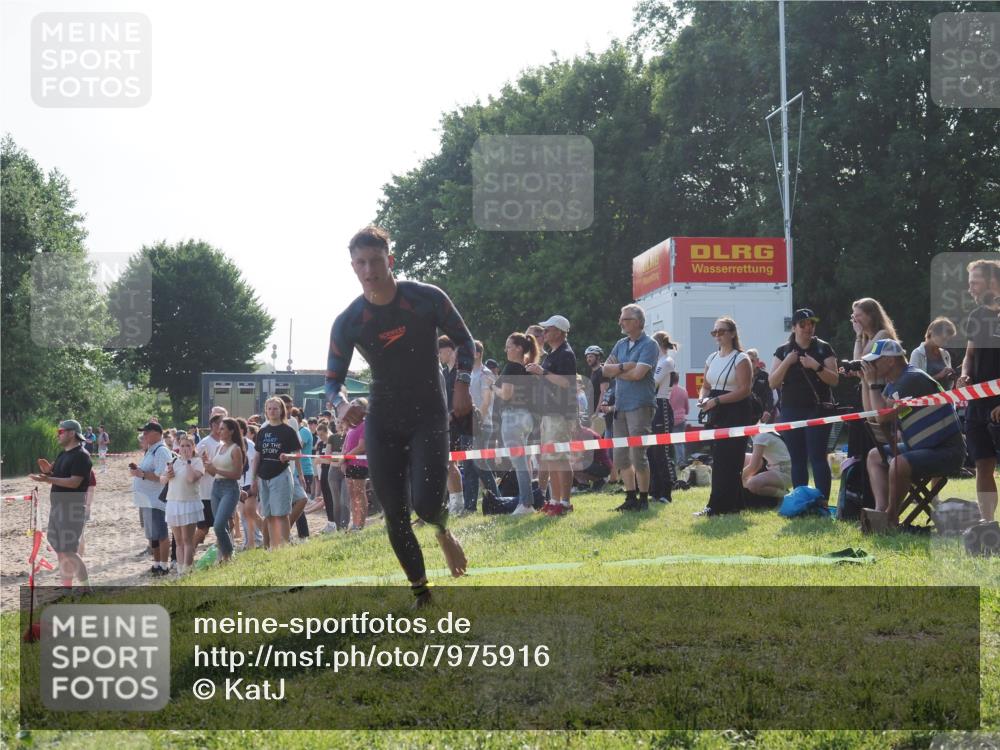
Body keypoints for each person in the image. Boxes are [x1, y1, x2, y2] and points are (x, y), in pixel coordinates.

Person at [325, 225, 470, 606]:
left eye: (375, 261)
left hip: (429, 413)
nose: (369, 270)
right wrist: (342, 406)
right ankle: (422, 593)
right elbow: (331, 381)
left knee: (425, 502)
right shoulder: (348, 321)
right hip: (384, 416)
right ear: (353, 267)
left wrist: (462, 383)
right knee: (394, 511)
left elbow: (464, 340)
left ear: (390, 260)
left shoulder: (425, 298)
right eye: (361, 263)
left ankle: (441, 530)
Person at [863, 339, 966, 527]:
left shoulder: (911, 379)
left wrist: (872, 384)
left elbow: (882, 417)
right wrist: (867, 383)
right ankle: (879, 513)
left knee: (898, 464)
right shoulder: (895, 382)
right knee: (874, 456)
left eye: (875, 361)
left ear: (890, 361)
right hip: (922, 447)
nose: (872, 366)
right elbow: (873, 413)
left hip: (947, 451)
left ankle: (890, 517)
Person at [768, 308, 839, 499]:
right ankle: (801, 501)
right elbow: (773, 382)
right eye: (803, 324)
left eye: (811, 324)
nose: (808, 328)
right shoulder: (783, 351)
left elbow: (834, 380)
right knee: (797, 459)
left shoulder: (824, 348)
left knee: (817, 457)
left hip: (818, 409)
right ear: (793, 328)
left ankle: (822, 502)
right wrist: (787, 362)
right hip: (791, 410)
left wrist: (815, 366)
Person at [603, 305, 659, 512]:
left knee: (638, 454)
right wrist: (625, 367)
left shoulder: (650, 345)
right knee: (620, 456)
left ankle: (643, 499)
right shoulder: (620, 344)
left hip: (640, 406)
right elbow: (605, 370)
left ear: (637, 322)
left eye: (625, 319)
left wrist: (617, 370)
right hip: (621, 406)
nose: (620, 322)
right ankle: (630, 498)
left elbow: (638, 375)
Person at [695, 317, 753, 517]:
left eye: (721, 331)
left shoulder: (741, 358)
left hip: (735, 412)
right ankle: (734, 504)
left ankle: (716, 506)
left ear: (732, 333)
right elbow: (706, 386)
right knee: (719, 459)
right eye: (715, 332)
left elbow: (745, 390)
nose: (717, 335)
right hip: (715, 412)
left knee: (728, 460)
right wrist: (703, 399)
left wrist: (717, 401)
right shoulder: (711, 358)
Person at [957, 258, 1000, 522]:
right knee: (983, 465)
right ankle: (988, 525)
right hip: (978, 403)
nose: (970, 288)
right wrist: (964, 375)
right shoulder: (976, 315)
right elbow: (969, 355)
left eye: (974, 282)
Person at [28, 419, 93, 590]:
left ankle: (87, 589)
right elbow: (56, 473)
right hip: (57, 508)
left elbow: (73, 482)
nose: (58, 434)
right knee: (60, 551)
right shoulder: (63, 454)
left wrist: (48, 479)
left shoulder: (82, 455)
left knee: (70, 551)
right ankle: (67, 589)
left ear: (72, 433)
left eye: (60, 431)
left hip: (71, 509)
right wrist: (47, 470)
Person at [529, 314, 579, 516]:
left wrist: (542, 373)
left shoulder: (566, 354)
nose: (544, 333)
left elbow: (567, 383)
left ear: (559, 332)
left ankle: (565, 502)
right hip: (549, 413)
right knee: (551, 459)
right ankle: (555, 499)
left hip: (560, 413)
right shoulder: (552, 354)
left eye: (548, 329)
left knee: (560, 457)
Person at [492, 331, 540, 514]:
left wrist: (493, 387)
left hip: (513, 417)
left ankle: (526, 504)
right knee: (524, 462)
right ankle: (526, 501)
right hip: (527, 419)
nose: (506, 349)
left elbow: (506, 394)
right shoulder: (527, 370)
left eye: (509, 346)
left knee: (520, 463)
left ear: (519, 348)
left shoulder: (511, 367)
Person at [252, 397, 301, 549]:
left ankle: (284, 546)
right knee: (269, 514)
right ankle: (274, 546)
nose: (272, 411)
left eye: (275, 408)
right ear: (266, 411)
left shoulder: (288, 431)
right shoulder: (262, 431)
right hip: (263, 476)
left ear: (281, 411)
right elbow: (257, 455)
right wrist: (253, 477)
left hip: (281, 474)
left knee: (281, 514)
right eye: (270, 408)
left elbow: (298, 454)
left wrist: (288, 457)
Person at [131, 422, 172, 575]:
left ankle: (164, 565)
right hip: (148, 499)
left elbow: (161, 476)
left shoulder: (161, 451)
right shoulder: (151, 450)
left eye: (146, 432)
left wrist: (141, 474)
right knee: (153, 535)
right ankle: (156, 564)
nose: (144, 435)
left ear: (156, 433)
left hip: (156, 499)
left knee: (161, 533)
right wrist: (138, 472)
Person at [464, 340, 500, 512]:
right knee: (469, 466)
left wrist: (477, 421)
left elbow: (486, 401)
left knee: (480, 464)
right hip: (466, 425)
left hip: (482, 425)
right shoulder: (467, 373)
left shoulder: (486, 374)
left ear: (477, 354)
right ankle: (469, 507)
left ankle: (497, 499)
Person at [203, 418, 245, 563]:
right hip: (216, 487)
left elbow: (237, 474)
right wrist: (208, 467)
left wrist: (216, 469)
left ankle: (229, 553)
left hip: (230, 488)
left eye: (222, 429)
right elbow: (215, 473)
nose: (218, 431)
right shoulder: (219, 447)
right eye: (218, 428)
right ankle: (224, 556)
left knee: (218, 524)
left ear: (231, 431)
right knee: (222, 525)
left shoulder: (236, 449)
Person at [161, 435, 204, 574]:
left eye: (188, 446)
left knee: (187, 539)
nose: (185, 449)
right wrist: (168, 475)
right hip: (173, 503)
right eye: (183, 445)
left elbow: (191, 478)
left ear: (193, 447)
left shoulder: (197, 462)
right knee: (178, 541)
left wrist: (188, 462)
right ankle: (180, 570)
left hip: (189, 503)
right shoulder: (173, 461)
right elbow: (162, 480)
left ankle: (187, 569)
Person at [649, 330, 679, 504]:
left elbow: (653, 382)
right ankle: (655, 491)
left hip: (661, 406)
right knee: (651, 452)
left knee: (662, 451)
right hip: (652, 406)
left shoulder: (666, 361)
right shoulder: (656, 361)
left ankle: (666, 492)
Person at [741, 410, 792, 506]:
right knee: (741, 458)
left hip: (785, 472)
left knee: (753, 484)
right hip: (774, 467)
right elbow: (758, 462)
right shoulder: (759, 429)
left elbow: (754, 467)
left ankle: (786, 496)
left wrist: (735, 479)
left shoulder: (760, 436)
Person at [193, 414, 223, 548]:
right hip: (206, 493)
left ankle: (222, 554)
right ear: (212, 426)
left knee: (226, 524)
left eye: (223, 424)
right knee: (203, 529)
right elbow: (194, 461)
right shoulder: (205, 443)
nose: (221, 427)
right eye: (218, 424)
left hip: (221, 490)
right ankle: (189, 552)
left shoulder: (223, 443)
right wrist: (205, 465)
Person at [341, 399, 370, 530]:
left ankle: (360, 525)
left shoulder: (365, 424)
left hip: (360, 463)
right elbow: (346, 446)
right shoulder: (351, 427)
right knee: (352, 495)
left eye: (355, 405)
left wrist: (345, 457)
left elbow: (362, 446)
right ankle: (355, 524)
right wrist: (343, 459)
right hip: (349, 464)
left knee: (359, 493)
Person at [909, 317, 958, 390]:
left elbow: (949, 385)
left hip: (946, 399)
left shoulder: (945, 354)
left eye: (948, 340)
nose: (946, 343)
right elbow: (913, 384)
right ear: (932, 333)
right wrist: (939, 376)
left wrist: (951, 377)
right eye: (943, 339)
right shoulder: (917, 354)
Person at [668, 371, 689, 466]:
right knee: (679, 442)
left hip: (670, 419)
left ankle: (670, 462)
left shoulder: (668, 391)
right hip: (681, 419)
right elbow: (687, 406)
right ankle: (681, 461)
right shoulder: (683, 390)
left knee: (666, 442)